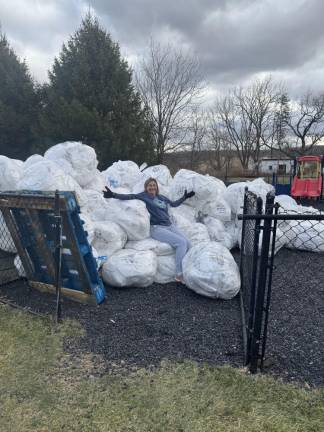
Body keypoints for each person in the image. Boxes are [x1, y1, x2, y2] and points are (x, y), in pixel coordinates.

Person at [103, 177, 195, 283]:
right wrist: (113, 195)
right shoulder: (143, 196)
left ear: (156, 187)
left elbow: (174, 204)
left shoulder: (161, 198)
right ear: (146, 187)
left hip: (170, 226)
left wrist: (185, 197)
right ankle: (179, 274)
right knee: (181, 243)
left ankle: (189, 267)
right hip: (157, 228)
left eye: (154, 185)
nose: (152, 187)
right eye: (150, 185)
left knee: (188, 243)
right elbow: (130, 196)